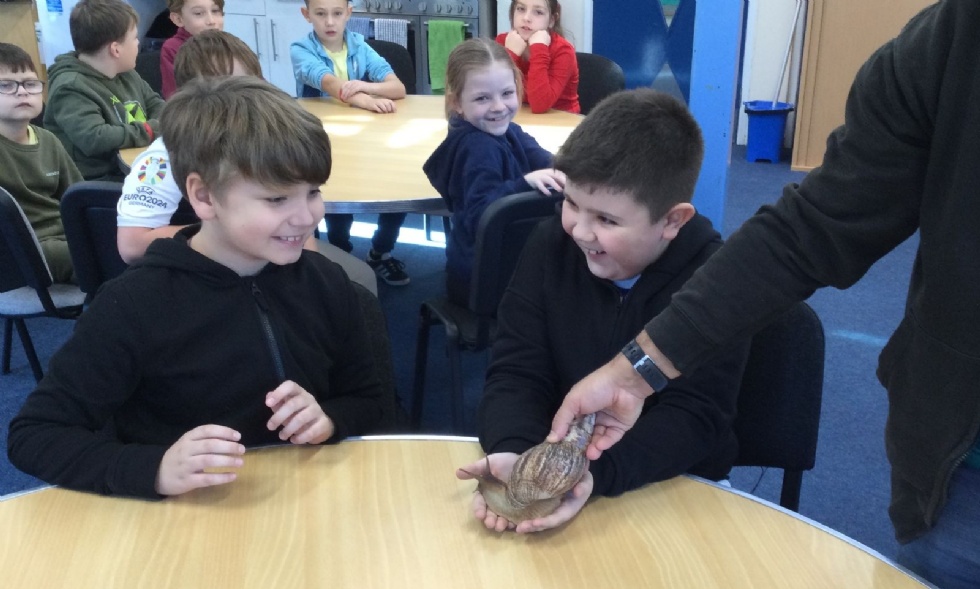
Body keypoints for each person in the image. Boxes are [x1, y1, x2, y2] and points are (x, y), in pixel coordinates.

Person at [547, 3, 980, 587]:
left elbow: (701, 419)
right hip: (960, 471)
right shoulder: (951, 38)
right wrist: (636, 370)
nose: (579, 229)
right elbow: (815, 228)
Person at [6, 76, 386, 499]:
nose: (305, 216)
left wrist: (330, 419)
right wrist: (155, 468)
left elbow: (372, 400)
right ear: (204, 197)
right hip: (188, 522)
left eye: (313, 192)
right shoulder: (133, 304)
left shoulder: (325, 282)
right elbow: (35, 435)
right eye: (277, 200)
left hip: (306, 501)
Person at [455, 89, 749, 534]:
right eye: (571, 203)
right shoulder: (548, 247)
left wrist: (593, 477)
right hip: (557, 478)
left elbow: (697, 418)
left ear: (673, 221)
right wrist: (516, 451)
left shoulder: (715, 283)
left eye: (607, 220)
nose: (579, 230)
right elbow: (516, 371)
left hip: (673, 488)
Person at [117, 30, 377, 294]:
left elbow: (299, 223)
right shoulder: (162, 158)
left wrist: (306, 271)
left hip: (273, 260)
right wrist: (228, 230)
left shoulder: (267, 141)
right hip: (209, 276)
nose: (245, 103)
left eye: (251, 87)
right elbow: (131, 245)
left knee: (348, 287)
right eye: (229, 91)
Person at [423, 38, 565, 305]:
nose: (499, 106)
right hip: (485, 280)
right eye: (482, 98)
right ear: (457, 103)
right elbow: (482, 215)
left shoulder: (507, 130)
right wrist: (525, 184)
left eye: (507, 93)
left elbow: (541, 157)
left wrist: (563, 170)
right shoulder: (478, 147)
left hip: (505, 265)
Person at [291, 0, 412, 285]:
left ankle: (380, 252)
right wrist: (367, 100)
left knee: (396, 192)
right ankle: (340, 254)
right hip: (323, 141)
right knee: (337, 202)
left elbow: (398, 88)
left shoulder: (359, 45)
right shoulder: (301, 50)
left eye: (337, 14)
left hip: (366, 141)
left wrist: (364, 85)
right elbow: (331, 85)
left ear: (349, 13)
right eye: (320, 14)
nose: (330, 22)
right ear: (307, 15)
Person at [44, 0, 165, 182]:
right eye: (134, 38)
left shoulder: (127, 73)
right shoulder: (70, 86)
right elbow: (95, 138)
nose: (138, 43)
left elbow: (158, 105)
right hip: (98, 181)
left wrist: (159, 123)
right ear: (115, 49)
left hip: (136, 165)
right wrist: (149, 129)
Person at [0, 43, 83, 284]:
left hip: (65, 237)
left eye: (30, 83)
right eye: (6, 85)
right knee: (109, 260)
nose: (22, 92)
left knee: (127, 247)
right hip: (20, 250)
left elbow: (76, 197)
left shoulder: (47, 139)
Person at [496, 0, 579, 114]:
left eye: (538, 12)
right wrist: (510, 54)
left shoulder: (563, 51)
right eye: (521, 9)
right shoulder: (503, 41)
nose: (526, 18)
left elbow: (540, 105)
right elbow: (491, 93)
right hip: (520, 117)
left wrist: (539, 49)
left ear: (551, 20)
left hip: (561, 122)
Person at [159, 0, 225, 99]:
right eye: (198, 13)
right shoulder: (173, 48)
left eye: (215, 11)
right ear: (178, 19)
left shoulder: (228, 44)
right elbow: (175, 96)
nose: (211, 21)